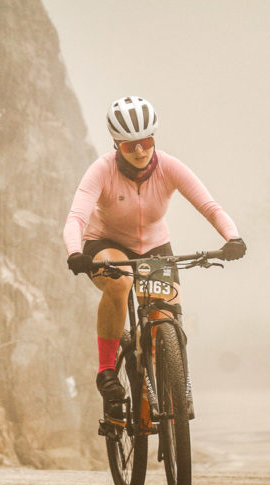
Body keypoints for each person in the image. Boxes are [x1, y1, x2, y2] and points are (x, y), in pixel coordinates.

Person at [63, 96, 246, 413]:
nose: (139, 151)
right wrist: (75, 252)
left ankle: (171, 378)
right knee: (120, 283)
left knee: (167, 313)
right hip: (106, 242)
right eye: (129, 145)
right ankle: (107, 371)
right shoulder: (102, 170)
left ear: (154, 139)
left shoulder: (169, 167)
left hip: (155, 246)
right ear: (116, 144)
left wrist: (232, 237)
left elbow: (210, 207)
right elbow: (77, 218)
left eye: (146, 142)